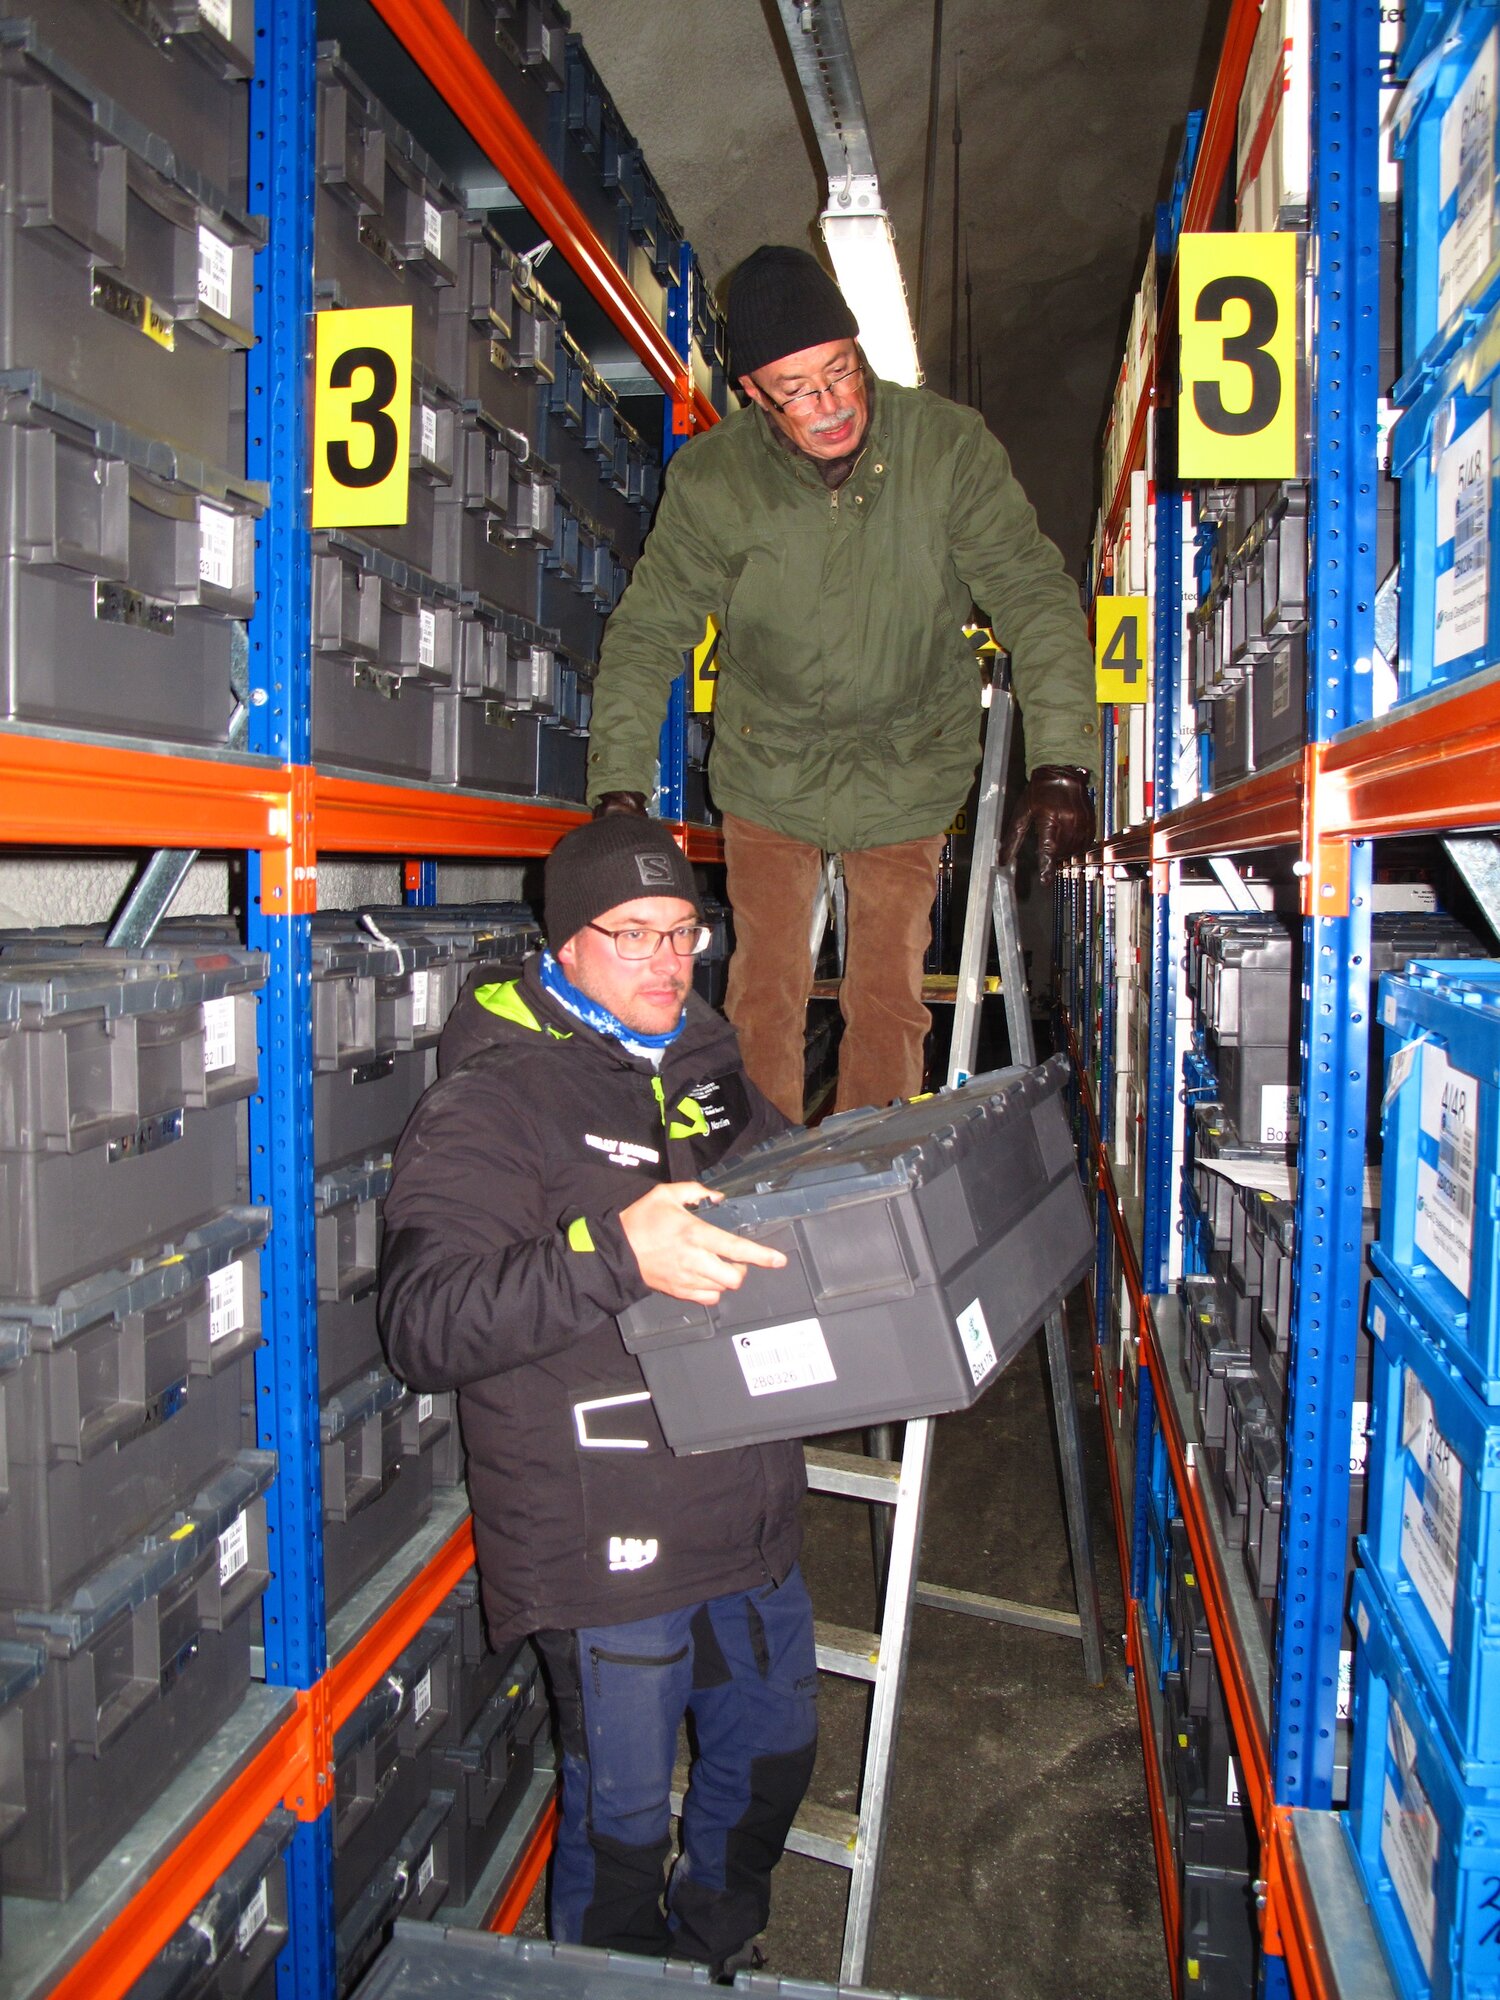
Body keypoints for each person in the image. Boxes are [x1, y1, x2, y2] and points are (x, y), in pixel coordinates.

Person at [378, 814, 817, 1973]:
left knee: (772, 1754)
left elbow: (787, 1188)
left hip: (745, 1494)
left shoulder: (704, 1054)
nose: (669, 961)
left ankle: (717, 1951)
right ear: (563, 944)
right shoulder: (492, 1096)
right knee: (621, 1819)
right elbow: (425, 1322)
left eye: (686, 931)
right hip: (603, 1519)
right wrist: (615, 1253)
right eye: (634, 936)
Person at [586, 243, 1100, 1122]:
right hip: (769, 763)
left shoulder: (946, 448)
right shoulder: (715, 479)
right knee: (763, 997)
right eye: (797, 388)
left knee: (889, 1002)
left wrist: (1063, 762)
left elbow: (1032, 593)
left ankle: (868, 1191)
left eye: (840, 372)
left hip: (909, 761)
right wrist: (619, 788)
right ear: (751, 392)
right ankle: (761, 1192)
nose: (829, 406)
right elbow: (648, 629)